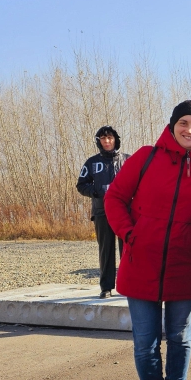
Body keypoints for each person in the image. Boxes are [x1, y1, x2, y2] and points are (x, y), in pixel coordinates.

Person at [104, 100, 191, 380]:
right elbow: (114, 199)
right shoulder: (145, 157)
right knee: (145, 342)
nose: (189, 130)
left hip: (184, 267)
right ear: (172, 125)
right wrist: (130, 234)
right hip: (142, 263)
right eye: (184, 123)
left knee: (180, 338)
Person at [76, 126, 129, 297]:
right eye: (103, 138)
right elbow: (81, 185)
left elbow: (141, 182)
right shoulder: (91, 163)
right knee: (106, 250)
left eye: (110, 138)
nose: (107, 141)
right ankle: (106, 287)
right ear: (99, 141)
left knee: (127, 250)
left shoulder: (128, 160)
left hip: (125, 212)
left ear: (116, 140)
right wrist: (96, 192)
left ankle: (128, 285)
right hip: (101, 211)